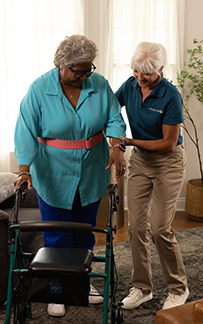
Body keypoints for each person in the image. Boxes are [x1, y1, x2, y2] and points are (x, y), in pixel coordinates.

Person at [14, 34, 126, 317]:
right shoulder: (39, 90)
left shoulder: (98, 84)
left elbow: (114, 117)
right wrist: (24, 171)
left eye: (89, 69)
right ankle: (57, 289)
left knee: (85, 234)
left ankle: (83, 282)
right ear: (61, 66)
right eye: (78, 71)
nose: (84, 76)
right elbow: (25, 132)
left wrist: (117, 146)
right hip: (53, 174)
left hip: (91, 172)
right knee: (56, 237)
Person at [115, 41, 189, 310]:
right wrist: (116, 139)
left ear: (161, 67)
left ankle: (178, 288)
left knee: (159, 228)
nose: (140, 78)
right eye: (136, 71)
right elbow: (112, 108)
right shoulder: (131, 84)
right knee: (135, 228)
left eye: (146, 73)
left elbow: (168, 143)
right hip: (141, 164)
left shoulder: (171, 96)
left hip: (168, 163)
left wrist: (130, 142)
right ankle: (142, 288)